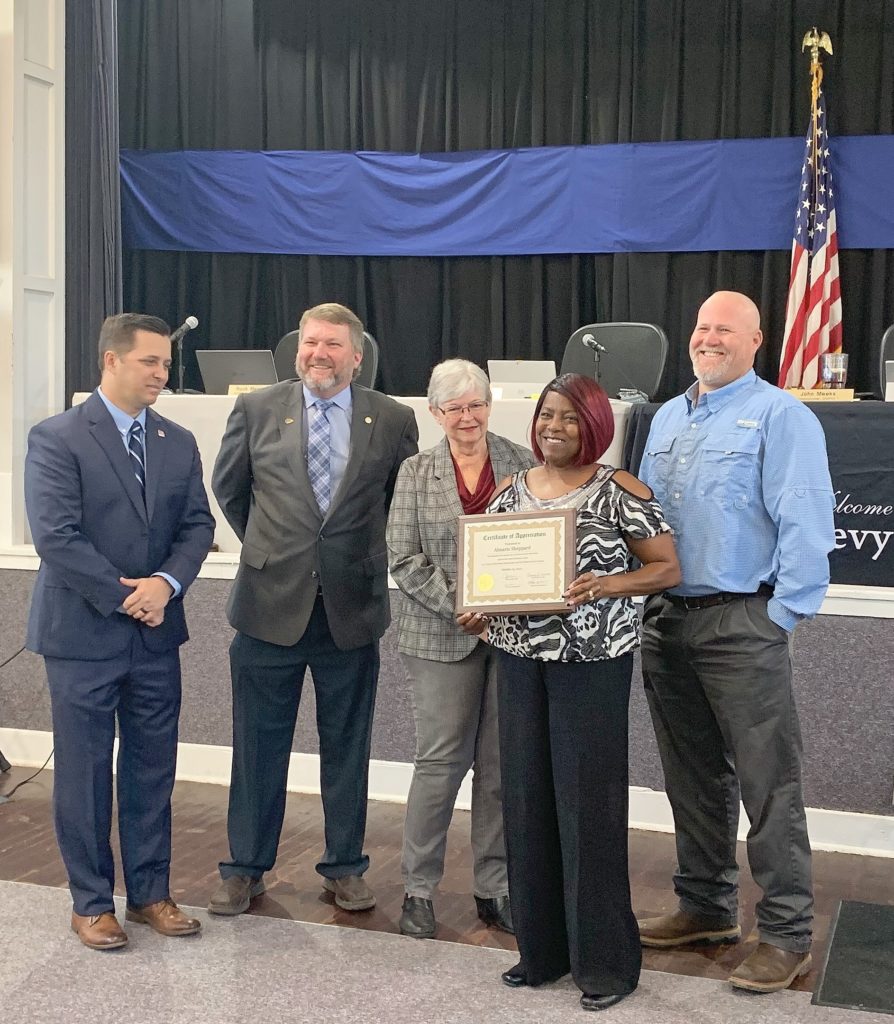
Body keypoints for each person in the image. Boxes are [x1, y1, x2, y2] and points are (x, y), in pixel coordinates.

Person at [636, 291, 836, 993]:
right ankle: (706, 907)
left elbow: (807, 522)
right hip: (667, 621)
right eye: (699, 327)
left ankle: (786, 935)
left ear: (757, 341)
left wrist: (780, 616)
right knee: (691, 778)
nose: (707, 338)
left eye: (724, 329)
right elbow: (644, 521)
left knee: (768, 785)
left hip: (742, 622)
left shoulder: (783, 417)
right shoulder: (664, 417)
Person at [463, 373, 680, 1013]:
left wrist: (607, 586)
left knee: (587, 807)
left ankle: (606, 965)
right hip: (520, 661)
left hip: (592, 663)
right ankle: (543, 952)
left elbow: (667, 567)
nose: (553, 428)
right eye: (545, 416)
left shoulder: (620, 492)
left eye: (568, 417)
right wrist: (477, 610)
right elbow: (490, 577)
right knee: (525, 799)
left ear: (594, 424)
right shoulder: (509, 493)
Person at [208, 302, 418, 916]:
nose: (317, 353)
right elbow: (231, 489)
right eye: (309, 342)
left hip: (350, 611)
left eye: (331, 344)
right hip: (268, 607)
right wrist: (275, 551)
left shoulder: (394, 418)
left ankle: (345, 867)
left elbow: (394, 503)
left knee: (348, 747)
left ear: (357, 356)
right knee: (256, 746)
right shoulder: (255, 408)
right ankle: (244, 867)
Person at [24, 313, 215, 950]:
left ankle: (151, 894)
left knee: (152, 768)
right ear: (111, 361)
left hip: (157, 634)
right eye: (150, 362)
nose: (162, 373)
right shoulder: (56, 437)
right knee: (82, 772)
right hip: (82, 635)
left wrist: (165, 585)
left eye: (165, 364)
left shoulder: (177, 438)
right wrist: (127, 596)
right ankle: (91, 902)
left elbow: (198, 526)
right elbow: (57, 536)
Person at [386, 359, 535, 939]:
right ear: (435, 413)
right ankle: (419, 889)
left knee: (499, 767)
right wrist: (461, 605)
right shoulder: (415, 473)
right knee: (441, 762)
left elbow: (537, 540)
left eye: (477, 404)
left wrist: (504, 606)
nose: (468, 417)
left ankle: (492, 888)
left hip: (512, 634)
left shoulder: (522, 461)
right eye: (455, 408)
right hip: (438, 635)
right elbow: (402, 558)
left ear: (490, 405)